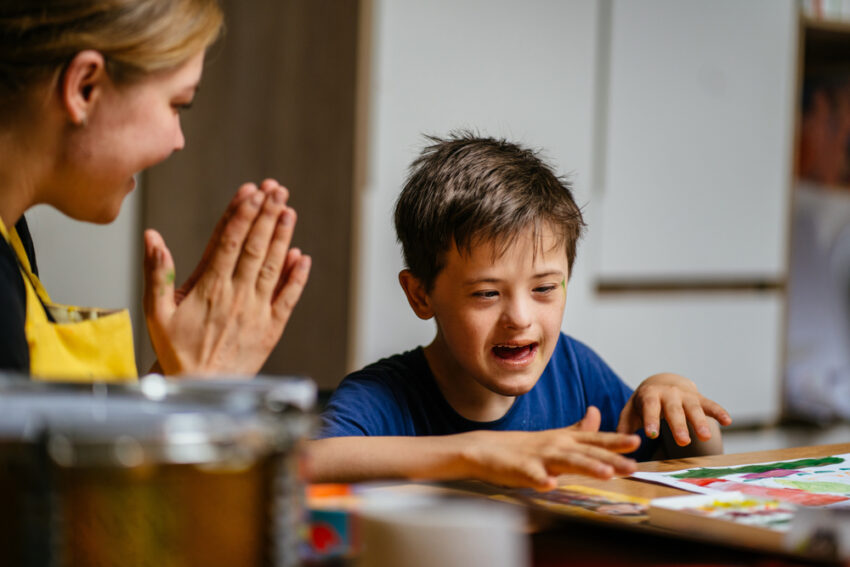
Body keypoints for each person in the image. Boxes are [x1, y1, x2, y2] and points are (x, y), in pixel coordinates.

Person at [309, 133, 732, 490]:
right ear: (421, 295)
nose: (520, 317)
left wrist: (680, 404)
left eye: (544, 288)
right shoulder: (381, 397)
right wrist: (479, 451)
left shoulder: (576, 371)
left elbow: (687, 465)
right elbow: (309, 462)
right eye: (487, 294)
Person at [0, 0, 311, 380]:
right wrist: (199, 382)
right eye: (178, 104)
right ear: (85, 87)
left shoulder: (12, 236)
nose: (178, 141)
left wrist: (171, 376)